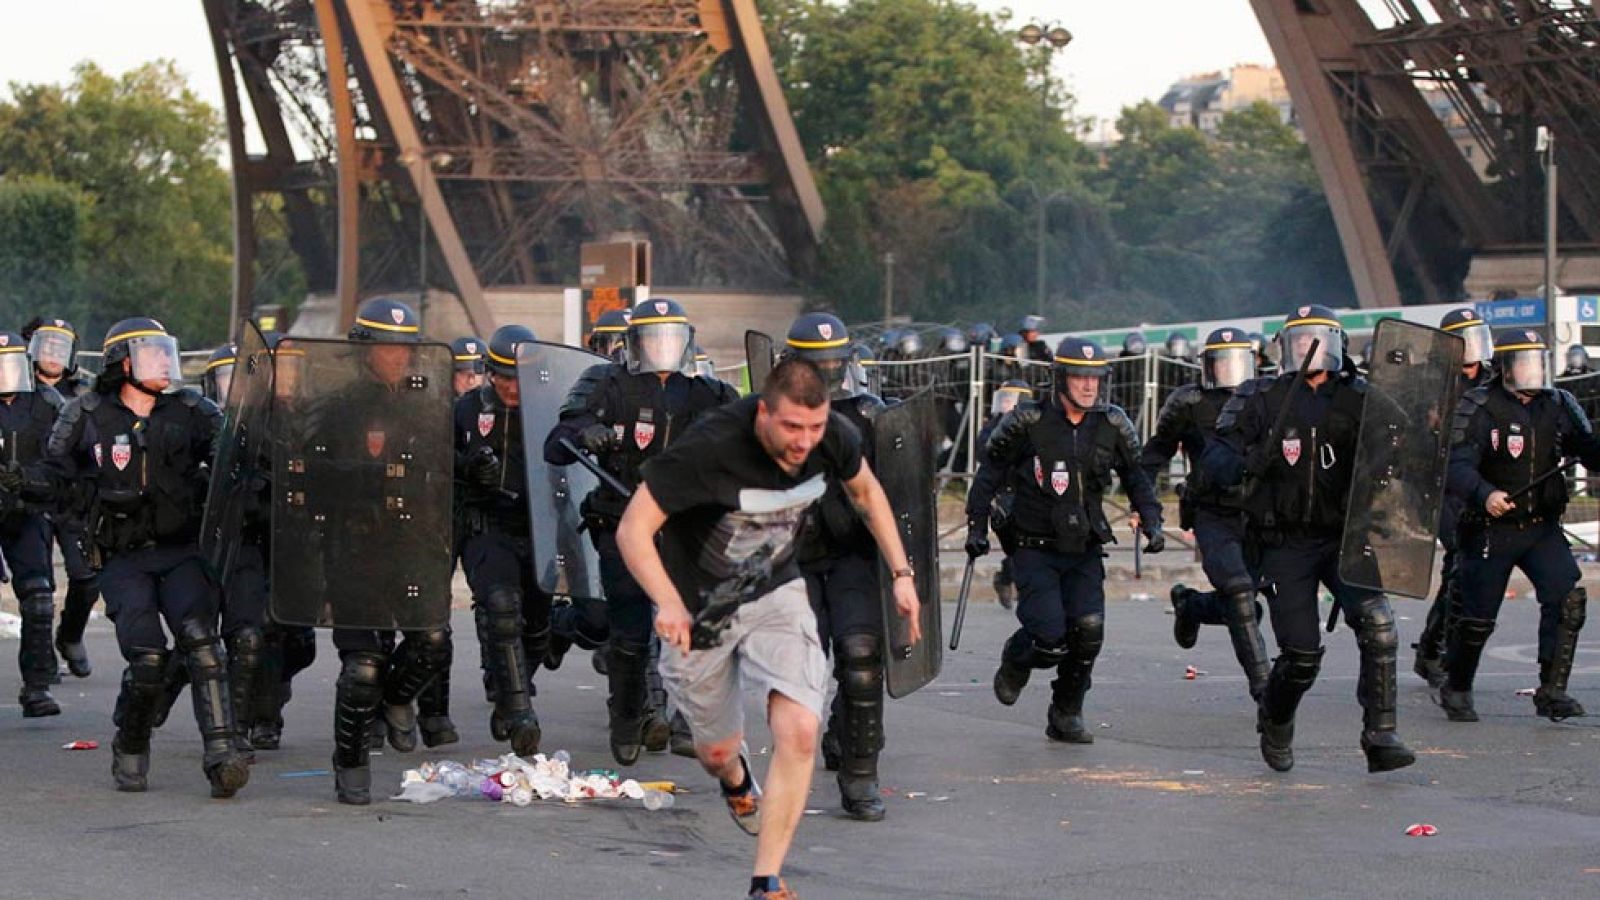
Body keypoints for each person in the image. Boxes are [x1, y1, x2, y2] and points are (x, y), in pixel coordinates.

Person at [616, 356, 922, 900]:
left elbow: (868, 494)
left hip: (775, 593)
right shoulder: (709, 447)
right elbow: (633, 529)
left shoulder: (834, 437)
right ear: (763, 413)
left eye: (815, 427)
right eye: (791, 428)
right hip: (698, 610)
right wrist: (665, 600)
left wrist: (902, 574)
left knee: (801, 729)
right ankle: (736, 782)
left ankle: (766, 881)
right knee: (715, 752)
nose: (805, 442)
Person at [1204, 304, 1415, 774]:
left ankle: (1381, 735)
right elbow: (1215, 458)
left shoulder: (1359, 396)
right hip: (1285, 542)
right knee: (1301, 655)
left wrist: (1388, 467)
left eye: (1316, 337)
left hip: (1344, 535)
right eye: (1298, 339)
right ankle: (1275, 719)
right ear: (1285, 348)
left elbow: (1403, 440)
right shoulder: (1259, 397)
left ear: (1336, 343)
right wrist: (1246, 463)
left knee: (1379, 627)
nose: (1307, 346)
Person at [45, 318, 250, 797]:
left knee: (203, 644)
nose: (164, 361)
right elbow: (53, 473)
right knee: (149, 658)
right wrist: (27, 484)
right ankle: (132, 741)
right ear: (124, 362)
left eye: (166, 351)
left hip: (181, 551)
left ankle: (223, 755)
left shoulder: (192, 410)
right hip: (123, 558)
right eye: (152, 352)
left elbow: (231, 453)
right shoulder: (87, 414)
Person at [545, 298, 740, 765]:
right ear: (635, 343)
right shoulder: (605, 382)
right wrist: (585, 432)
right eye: (653, 338)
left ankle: (686, 721)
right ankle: (626, 717)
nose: (662, 348)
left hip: (683, 527)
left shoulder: (707, 392)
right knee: (630, 632)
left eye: (671, 339)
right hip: (622, 521)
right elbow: (557, 442)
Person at [974, 336, 1164, 742]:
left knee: (1089, 631)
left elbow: (1136, 476)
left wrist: (1152, 519)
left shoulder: (1112, 423)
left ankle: (1066, 712)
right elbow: (989, 473)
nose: (1089, 386)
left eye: (1095, 378)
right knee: (1049, 638)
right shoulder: (1027, 421)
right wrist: (976, 528)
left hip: (1084, 547)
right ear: (1060, 379)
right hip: (1033, 546)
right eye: (1080, 377)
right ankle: (1016, 659)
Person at [320, 298, 454, 804]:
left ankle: (398, 699)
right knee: (363, 665)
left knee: (433, 641)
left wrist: (474, 463)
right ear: (364, 350)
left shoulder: (426, 406)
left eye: (404, 346)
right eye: (385, 346)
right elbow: (307, 475)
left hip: (411, 542)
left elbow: (445, 469)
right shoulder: (338, 407)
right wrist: (362, 479)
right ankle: (350, 764)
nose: (396, 355)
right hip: (354, 543)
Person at [1441, 328, 1600, 722]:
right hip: (1491, 528)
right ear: (1505, 368)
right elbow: (1455, 465)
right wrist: (1485, 493)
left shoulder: (1559, 403)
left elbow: (1588, 450)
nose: (1533, 371)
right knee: (1477, 619)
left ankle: (1552, 691)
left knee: (1567, 600)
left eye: (1538, 362)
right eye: (1524, 362)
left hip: (1541, 526)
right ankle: (1456, 686)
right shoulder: (1478, 405)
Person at [782, 313, 896, 821]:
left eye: (834, 364)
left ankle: (860, 774)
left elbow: (896, 495)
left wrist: (902, 568)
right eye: (816, 365)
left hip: (853, 553)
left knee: (862, 657)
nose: (827, 374)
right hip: (795, 559)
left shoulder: (870, 416)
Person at [1141, 327, 1271, 699]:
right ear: (1206, 366)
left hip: (1259, 512)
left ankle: (1191, 605)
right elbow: (1154, 454)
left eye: (1237, 362)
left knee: (1248, 604)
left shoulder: (1266, 395)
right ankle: (1265, 691)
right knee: (1239, 592)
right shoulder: (1189, 401)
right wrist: (1143, 505)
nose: (1229, 372)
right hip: (1211, 510)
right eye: (1221, 363)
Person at [455, 324, 546, 754]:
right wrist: (470, 464)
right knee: (501, 607)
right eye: (504, 377)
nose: (512, 386)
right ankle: (519, 713)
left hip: (538, 526)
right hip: (487, 524)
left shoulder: (549, 407)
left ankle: (511, 688)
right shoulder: (466, 409)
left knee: (538, 625)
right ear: (491, 373)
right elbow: (437, 458)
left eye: (519, 376)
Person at [1411, 307, 1495, 687]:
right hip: (1441, 486)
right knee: (1459, 561)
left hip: (1480, 485)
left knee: (1467, 570)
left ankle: (1433, 644)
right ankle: (1437, 647)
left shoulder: (1496, 380)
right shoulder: (1429, 382)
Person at [23, 317, 99, 680]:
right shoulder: (15, 386)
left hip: (72, 497)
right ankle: (42, 663)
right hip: (30, 497)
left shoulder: (86, 392)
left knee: (86, 576)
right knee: (39, 585)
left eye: (61, 345)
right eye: (46, 344)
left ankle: (70, 636)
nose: (53, 353)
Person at [0, 331, 65, 717]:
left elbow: (63, 462)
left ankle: (37, 687)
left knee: (40, 599)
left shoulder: (48, 404)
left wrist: (27, 479)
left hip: (27, 511)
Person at [965, 379, 1033, 609]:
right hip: (1002, 493)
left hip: (1027, 493)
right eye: (1002, 399)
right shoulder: (992, 427)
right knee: (1020, 550)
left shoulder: (1032, 426)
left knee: (1029, 551)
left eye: (1009, 400)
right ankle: (1015, 585)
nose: (1005, 404)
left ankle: (1015, 584)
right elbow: (984, 454)